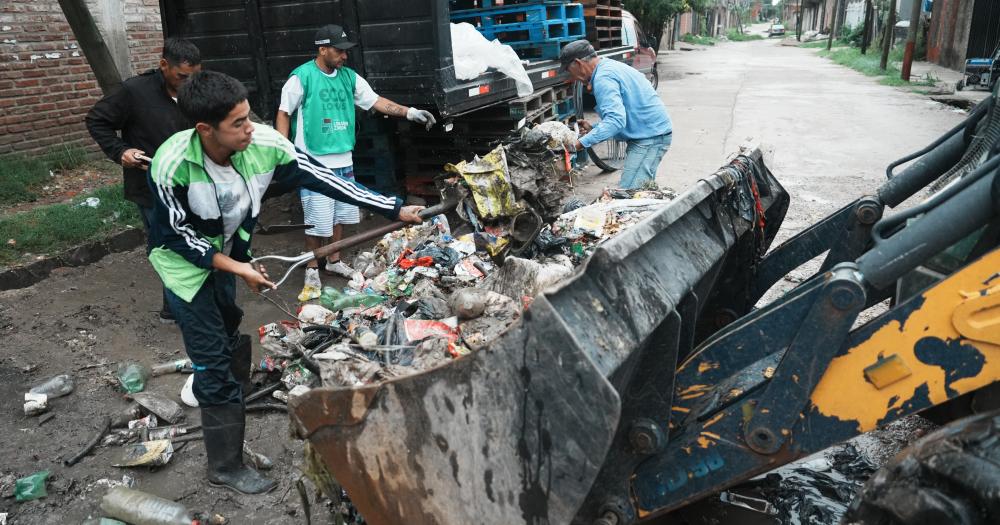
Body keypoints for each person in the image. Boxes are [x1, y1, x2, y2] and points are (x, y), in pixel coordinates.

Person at [147, 70, 424, 494]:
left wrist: (391, 207)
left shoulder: (264, 143)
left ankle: (233, 395)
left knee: (229, 325)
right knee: (211, 357)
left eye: (248, 118)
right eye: (237, 124)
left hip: (231, 251)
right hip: (184, 268)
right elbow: (176, 237)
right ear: (205, 129)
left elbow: (325, 178)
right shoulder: (171, 165)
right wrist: (239, 268)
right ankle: (224, 465)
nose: (250, 130)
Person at [274, 24, 437, 302]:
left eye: (345, 51)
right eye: (339, 50)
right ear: (322, 49)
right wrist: (282, 150)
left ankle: (334, 260)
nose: (344, 56)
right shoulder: (301, 78)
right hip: (313, 160)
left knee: (341, 215)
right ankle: (313, 267)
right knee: (317, 222)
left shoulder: (349, 78)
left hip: (343, 157)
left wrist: (410, 113)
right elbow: (284, 113)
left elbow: (376, 102)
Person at [86, 38, 203, 323]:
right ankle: (178, 311)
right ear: (164, 65)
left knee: (193, 243)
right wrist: (121, 151)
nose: (188, 84)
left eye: (194, 77)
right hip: (152, 187)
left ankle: (180, 306)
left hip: (191, 183)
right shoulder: (133, 92)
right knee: (169, 246)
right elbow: (96, 120)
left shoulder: (194, 91)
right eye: (182, 77)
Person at [561, 39, 673, 189]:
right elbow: (621, 115)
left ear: (578, 63)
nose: (572, 78)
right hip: (652, 132)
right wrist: (593, 128)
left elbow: (616, 121)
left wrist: (579, 144)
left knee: (629, 193)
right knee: (642, 190)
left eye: (570, 71)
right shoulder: (607, 66)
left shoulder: (603, 78)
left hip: (650, 137)